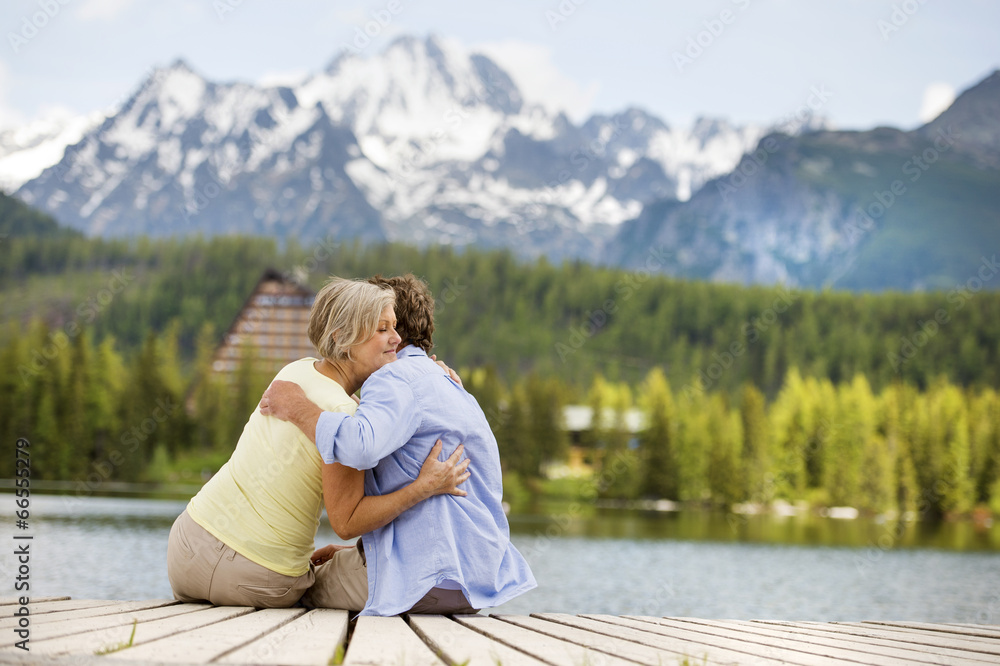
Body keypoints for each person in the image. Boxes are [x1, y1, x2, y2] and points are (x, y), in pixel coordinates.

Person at [167, 278, 469, 608]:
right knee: (326, 583)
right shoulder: (345, 417)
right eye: (383, 329)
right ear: (342, 337)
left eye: (394, 328)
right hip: (259, 579)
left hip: (185, 549)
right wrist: (422, 487)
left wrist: (426, 372)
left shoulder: (295, 372)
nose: (396, 339)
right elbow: (347, 522)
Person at [260, 274, 536, 616]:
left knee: (295, 584)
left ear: (393, 330)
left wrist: (299, 407)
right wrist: (358, 552)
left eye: (381, 324)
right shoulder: (454, 389)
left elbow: (359, 446)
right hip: (477, 584)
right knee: (335, 565)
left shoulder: (394, 380)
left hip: (424, 581)